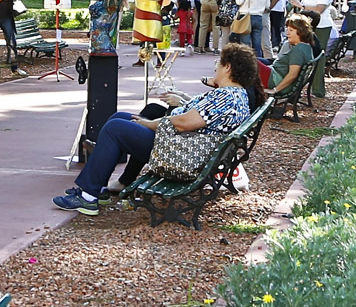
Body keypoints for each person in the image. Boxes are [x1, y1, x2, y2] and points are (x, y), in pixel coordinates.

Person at [53, 44, 262, 216]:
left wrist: (149, 124)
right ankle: (97, 187)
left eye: (219, 63)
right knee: (119, 118)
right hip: (186, 147)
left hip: (181, 154)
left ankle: (88, 197)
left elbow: (184, 123)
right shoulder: (234, 95)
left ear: (228, 68)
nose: (215, 68)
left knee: (115, 128)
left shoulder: (227, 97)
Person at [297, 0, 338, 98]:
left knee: (319, 57)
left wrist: (302, 7)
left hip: (321, 26)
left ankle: (318, 89)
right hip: (310, 25)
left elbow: (319, 9)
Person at [271, 15, 317, 97]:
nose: (287, 33)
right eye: (287, 30)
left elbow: (293, 75)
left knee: (249, 63)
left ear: (301, 32)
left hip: (275, 79)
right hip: (275, 75)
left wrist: (275, 90)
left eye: (291, 30)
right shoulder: (306, 46)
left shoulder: (298, 50)